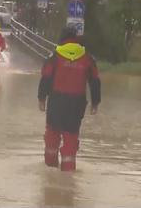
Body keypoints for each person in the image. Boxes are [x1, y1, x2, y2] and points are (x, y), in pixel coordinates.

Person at [38, 27, 101, 171]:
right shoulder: (88, 58)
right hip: (76, 104)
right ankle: (68, 175)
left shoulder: (54, 56)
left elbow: (46, 78)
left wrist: (41, 98)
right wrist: (95, 102)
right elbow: (95, 81)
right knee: (71, 138)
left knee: (52, 136)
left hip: (56, 102)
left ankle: (50, 170)